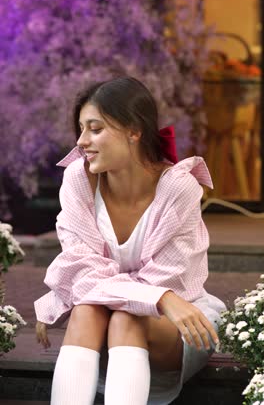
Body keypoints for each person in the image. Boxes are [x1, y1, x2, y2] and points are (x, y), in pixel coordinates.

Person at [34, 76, 226, 405]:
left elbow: (170, 281)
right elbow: (81, 270)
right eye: (80, 128)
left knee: (125, 315)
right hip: (120, 316)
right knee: (87, 311)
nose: (81, 141)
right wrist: (161, 297)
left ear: (134, 131)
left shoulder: (179, 187)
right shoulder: (78, 179)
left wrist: (163, 299)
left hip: (177, 324)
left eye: (95, 129)